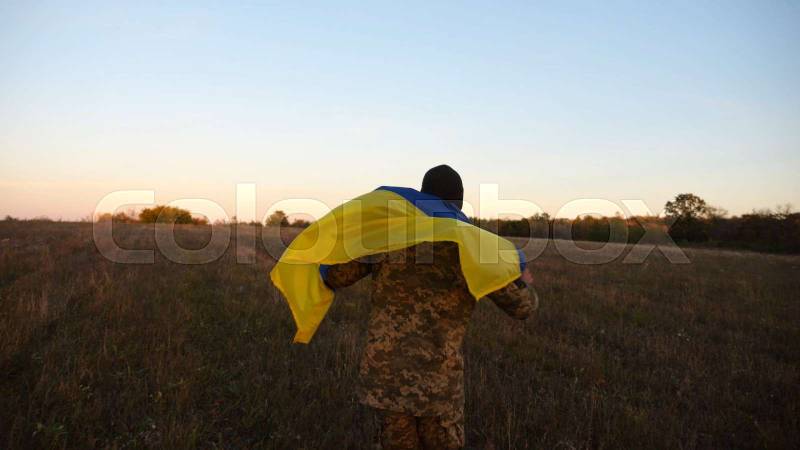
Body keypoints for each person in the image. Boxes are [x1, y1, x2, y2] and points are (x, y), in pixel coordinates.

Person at [324, 165, 537, 450]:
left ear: (422, 195)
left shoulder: (390, 235)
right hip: (438, 385)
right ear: (459, 202)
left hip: (386, 379)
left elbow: (335, 276)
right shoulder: (473, 246)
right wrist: (522, 281)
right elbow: (523, 307)